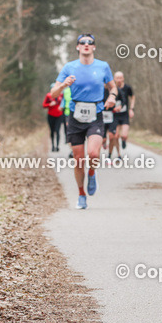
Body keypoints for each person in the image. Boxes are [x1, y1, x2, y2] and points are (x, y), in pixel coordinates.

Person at [49, 34, 117, 209]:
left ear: (94, 47)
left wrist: (112, 97)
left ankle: (92, 173)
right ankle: (81, 194)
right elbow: (54, 94)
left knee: (93, 154)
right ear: (78, 47)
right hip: (75, 115)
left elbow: (113, 87)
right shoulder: (69, 67)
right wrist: (64, 85)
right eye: (83, 43)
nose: (86, 45)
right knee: (79, 160)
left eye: (90, 43)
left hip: (96, 114)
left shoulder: (103, 66)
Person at [112, 71, 134, 153]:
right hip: (115, 115)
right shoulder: (112, 89)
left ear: (123, 78)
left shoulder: (127, 88)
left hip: (125, 114)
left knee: (124, 135)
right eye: (117, 78)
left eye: (120, 78)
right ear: (114, 79)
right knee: (116, 136)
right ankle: (118, 154)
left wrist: (131, 109)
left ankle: (124, 140)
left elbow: (133, 98)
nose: (119, 80)